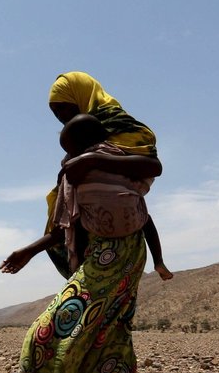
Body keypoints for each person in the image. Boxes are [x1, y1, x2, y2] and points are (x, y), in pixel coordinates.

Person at [0, 79, 167, 373]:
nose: (63, 125)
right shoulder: (73, 167)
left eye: (67, 116)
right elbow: (65, 224)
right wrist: (30, 250)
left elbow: (152, 169)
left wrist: (96, 162)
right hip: (98, 257)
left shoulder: (127, 143)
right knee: (108, 353)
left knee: (45, 338)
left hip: (118, 257)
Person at [56, 114, 172, 281]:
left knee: (77, 222)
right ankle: (159, 261)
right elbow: (143, 180)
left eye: (69, 149)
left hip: (99, 228)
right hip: (133, 222)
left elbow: (68, 193)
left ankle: (78, 266)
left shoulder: (72, 165)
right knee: (146, 219)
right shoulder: (116, 153)